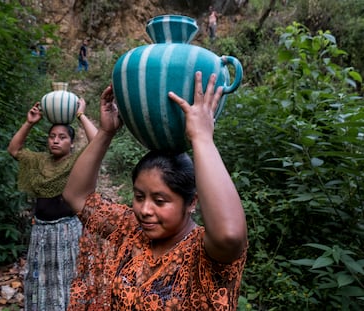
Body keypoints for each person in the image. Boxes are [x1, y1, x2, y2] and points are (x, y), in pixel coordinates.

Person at [63, 72, 248, 310]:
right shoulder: (130, 230)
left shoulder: (204, 253)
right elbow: (76, 197)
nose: (144, 210)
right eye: (139, 197)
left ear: (192, 202)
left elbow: (230, 235)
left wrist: (202, 138)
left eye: (160, 201)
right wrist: (106, 133)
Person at [7, 98, 98, 311]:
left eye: (62, 137)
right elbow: (14, 149)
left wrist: (80, 115)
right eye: (52, 136)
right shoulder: (39, 162)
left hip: (67, 231)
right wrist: (30, 122)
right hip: (41, 232)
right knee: (40, 278)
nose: (56, 141)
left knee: (67, 278)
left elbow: (98, 141)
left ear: (71, 143)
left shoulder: (78, 161)